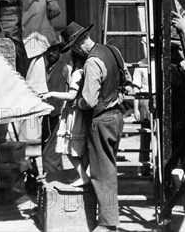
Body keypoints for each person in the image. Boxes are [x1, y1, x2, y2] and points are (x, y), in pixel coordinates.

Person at [61, 22, 130, 232]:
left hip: (101, 119)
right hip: (117, 115)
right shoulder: (113, 49)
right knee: (108, 167)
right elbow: (127, 78)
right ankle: (108, 218)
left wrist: (76, 103)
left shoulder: (92, 62)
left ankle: (108, 224)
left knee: (102, 172)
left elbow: (89, 101)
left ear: (76, 45)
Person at [43, 52, 91, 186]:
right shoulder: (87, 72)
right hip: (84, 113)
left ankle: (82, 176)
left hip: (74, 114)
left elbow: (71, 95)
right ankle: (82, 175)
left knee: (68, 147)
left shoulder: (76, 73)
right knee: (83, 148)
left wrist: (51, 94)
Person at [40, 36, 70, 175]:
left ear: (59, 51)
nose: (51, 53)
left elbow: (71, 91)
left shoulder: (65, 68)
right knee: (47, 146)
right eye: (48, 50)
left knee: (51, 153)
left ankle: (52, 179)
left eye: (53, 50)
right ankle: (54, 178)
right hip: (47, 114)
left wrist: (65, 110)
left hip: (59, 114)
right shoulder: (45, 69)